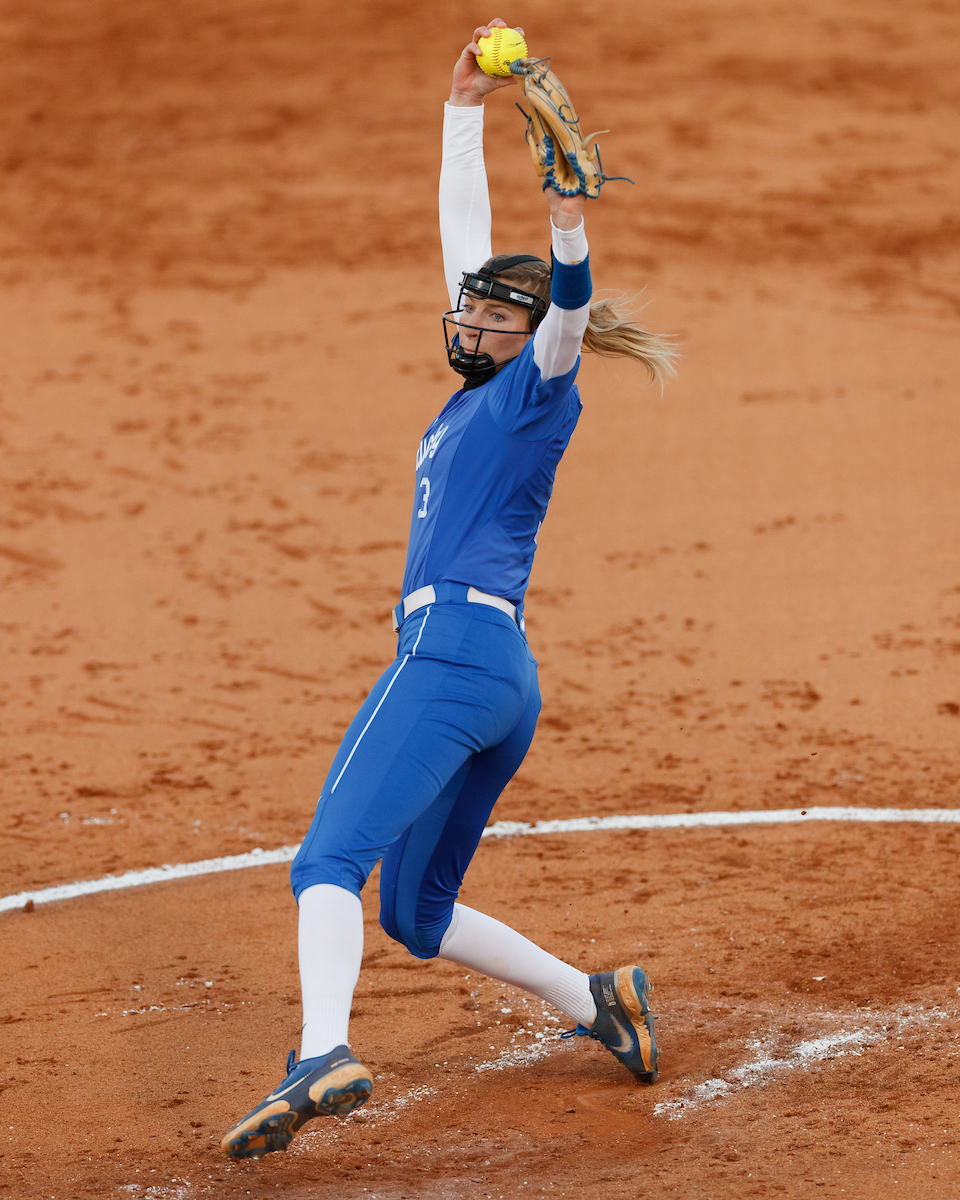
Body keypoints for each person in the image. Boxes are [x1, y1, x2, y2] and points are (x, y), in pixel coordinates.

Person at [221, 18, 676, 1162]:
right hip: (500, 677)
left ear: (525, 340)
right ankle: (595, 999)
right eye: (469, 309)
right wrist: (459, 109)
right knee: (415, 915)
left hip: (447, 663)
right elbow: (465, 242)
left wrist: (571, 229)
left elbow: (565, 317)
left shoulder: (537, 391)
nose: (467, 318)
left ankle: (324, 1047)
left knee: (326, 861)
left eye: (490, 317)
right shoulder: (479, 394)